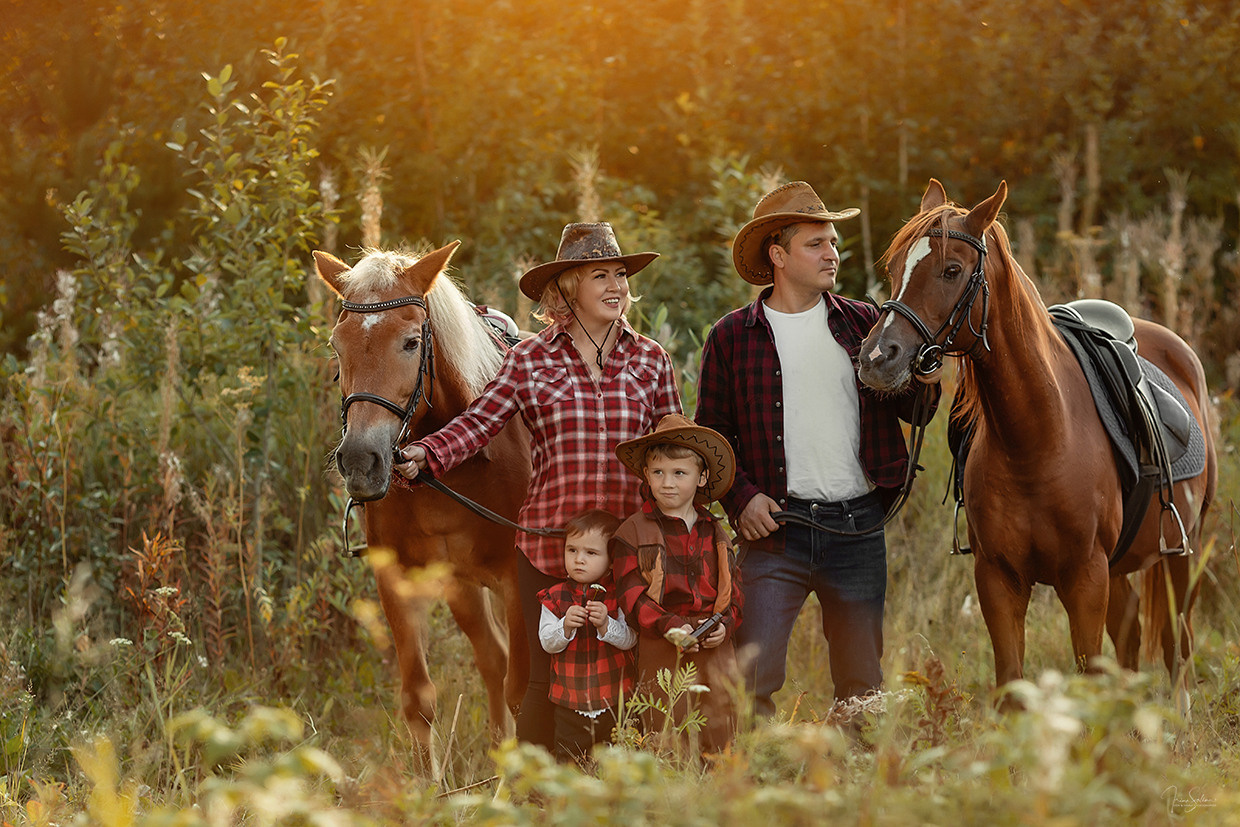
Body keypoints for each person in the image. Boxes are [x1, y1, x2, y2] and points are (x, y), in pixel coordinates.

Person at [396, 222, 682, 750]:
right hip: (551, 545)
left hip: (629, 547)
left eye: (620, 274)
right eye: (601, 275)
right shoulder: (529, 360)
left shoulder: (651, 359)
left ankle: (629, 780)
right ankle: (536, 786)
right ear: (568, 288)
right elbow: (479, 423)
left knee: (634, 671)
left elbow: (673, 446)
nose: (617, 285)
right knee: (541, 681)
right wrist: (427, 454)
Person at [694, 181, 939, 719]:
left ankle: (857, 772)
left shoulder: (864, 322)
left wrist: (924, 371)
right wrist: (741, 499)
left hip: (858, 529)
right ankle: (756, 772)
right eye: (815, 244)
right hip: (775, 533)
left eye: (833, 242)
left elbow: (918, 411)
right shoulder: (732, 336)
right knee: (750, 682)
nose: (832, 254)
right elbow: (712, 436)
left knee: (862, 687)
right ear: (778, 256)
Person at [611, 414, 742, 754]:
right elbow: (631, 597)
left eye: (679, 473)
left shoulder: (716, 532)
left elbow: (735, 594)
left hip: (714, 647)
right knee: (667, 733)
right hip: (662, 645)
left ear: (702, 477)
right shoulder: (632, 532)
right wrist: (670, 626)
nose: (667, 483)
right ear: (646, 475)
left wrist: (725, 625)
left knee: (722, 735)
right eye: (658, 473)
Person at [537, 509, 636, 764]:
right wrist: (565, 626)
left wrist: (606, 624)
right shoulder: (554, 596)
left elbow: (630, 639)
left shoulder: (619, 595)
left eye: (591, 553)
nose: (579, 559)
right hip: (570, 705)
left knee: (617, 764)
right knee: (569, 762)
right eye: (572, 550)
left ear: (611, 560)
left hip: (615, 700)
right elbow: (547, 642)